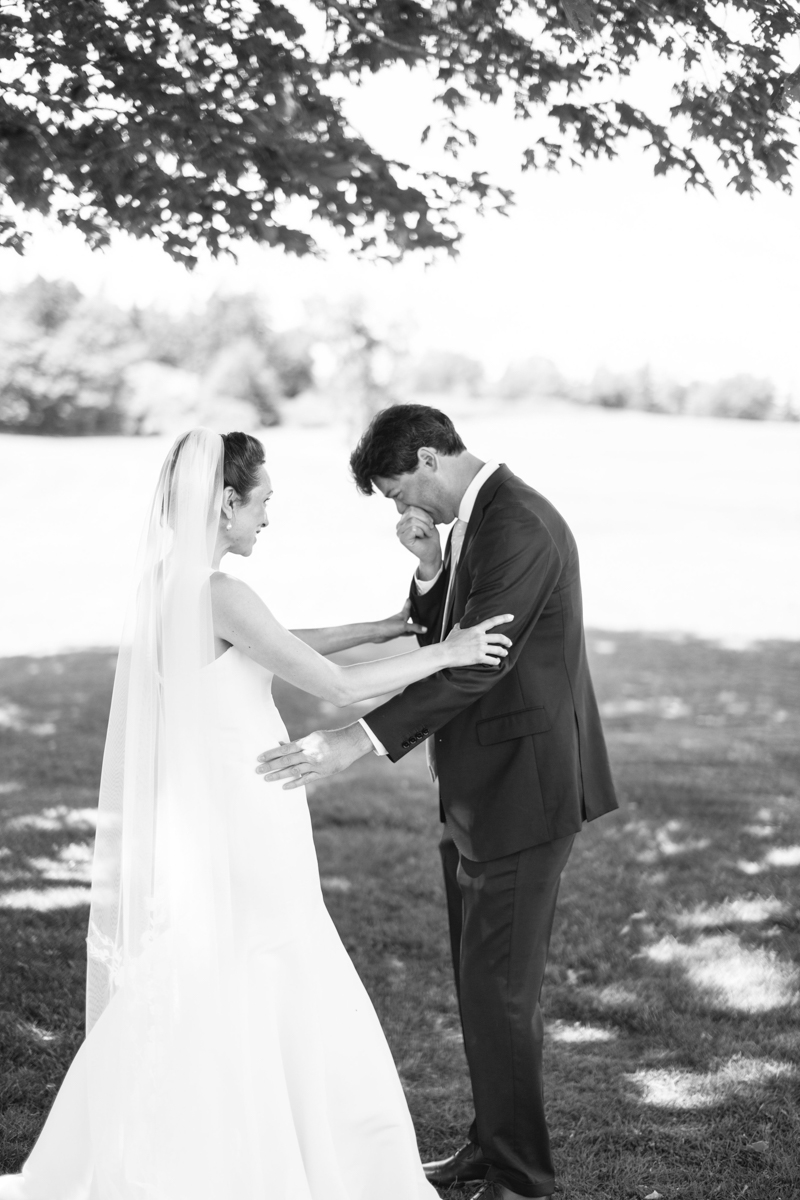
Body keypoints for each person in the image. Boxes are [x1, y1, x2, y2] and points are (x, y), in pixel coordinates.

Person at [0, 427, 514, 1200]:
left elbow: (268, 645)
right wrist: (447, 652)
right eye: (262, 500)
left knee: (220, 961)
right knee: (270, 957)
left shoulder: (175, 584)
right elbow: (330, 689)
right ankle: (288, 1156)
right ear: (226, 501)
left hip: (216, 809)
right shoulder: (221, 591)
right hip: (248, 809)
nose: (268, 515)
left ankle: (199, 1140)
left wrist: (381, 627)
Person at [256, 405, 619, 1200]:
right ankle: (491, 1147)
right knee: (479, 986)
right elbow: (439, 633)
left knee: (501, 993)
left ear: (428, 457)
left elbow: (476, 668)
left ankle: (521, 1179)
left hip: (524, 794)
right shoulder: (473, 523)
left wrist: (354, 740)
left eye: (398, 494)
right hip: (480, 793)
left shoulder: (517, 522)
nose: (402, 512)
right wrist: (428, 566)